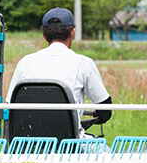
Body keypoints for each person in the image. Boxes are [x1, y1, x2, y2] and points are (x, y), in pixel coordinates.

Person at [7, 7, 112, 135]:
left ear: (44, 36)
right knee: (105, 150)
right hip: (68, 145)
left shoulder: (25, 62)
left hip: (26, 145)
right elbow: (105, 107)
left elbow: (10, 105)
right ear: (72, 32)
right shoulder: (83, 63)